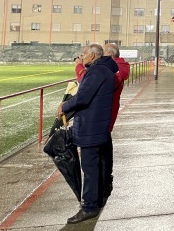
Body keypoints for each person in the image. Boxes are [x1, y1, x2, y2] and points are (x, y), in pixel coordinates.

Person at [57, 43, 118, 224]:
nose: (82, 57)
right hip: (99, 127)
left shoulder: (96, 72)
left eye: (84, 54)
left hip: (91, 128)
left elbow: (83, 97)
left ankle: (89, 207)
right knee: (98, 165)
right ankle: (98, 198)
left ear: (92, 55)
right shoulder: (104, 71)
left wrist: (64, 106)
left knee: (90, 168)